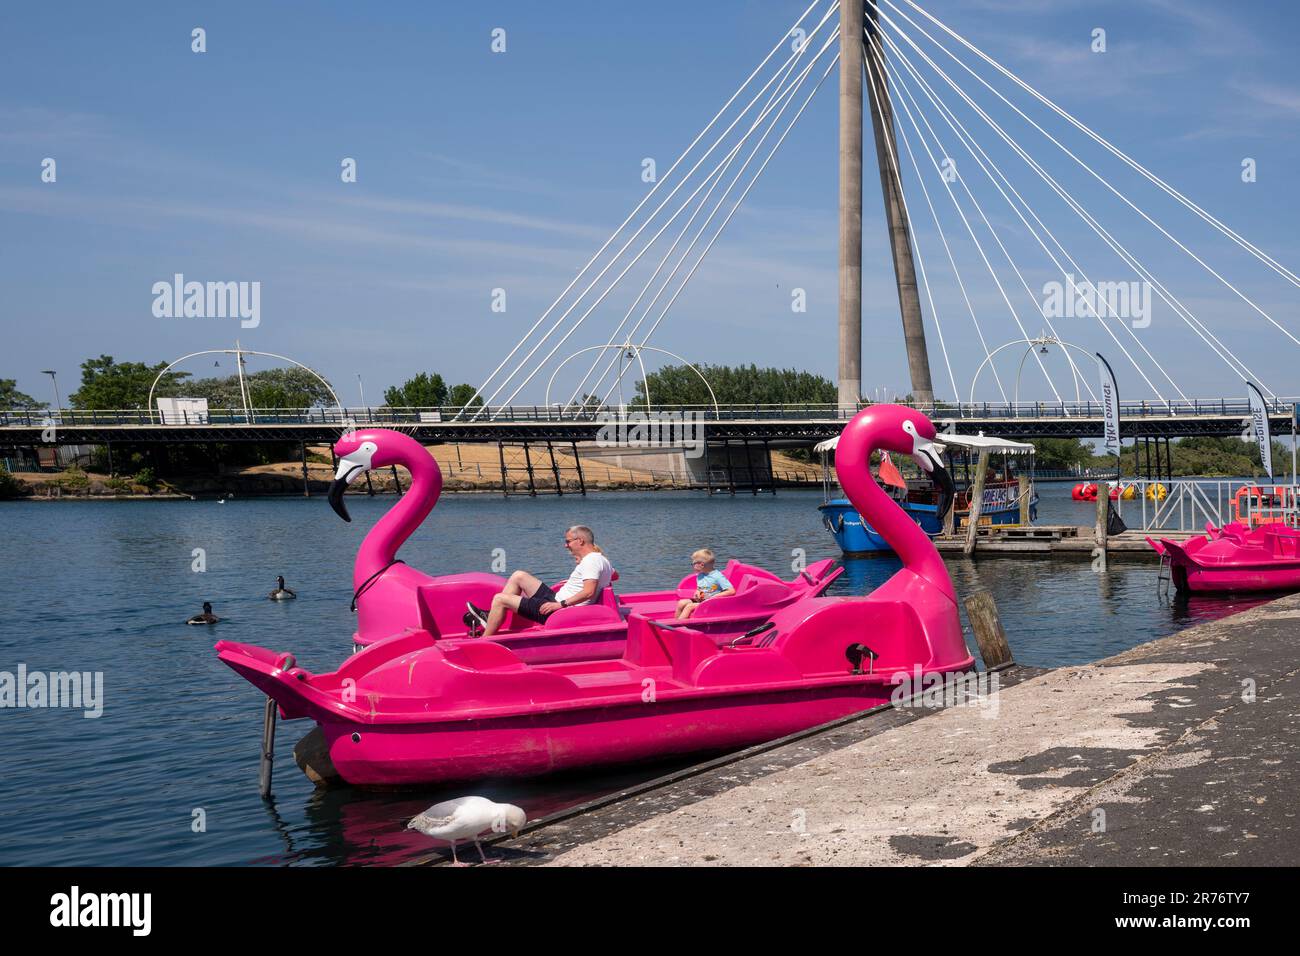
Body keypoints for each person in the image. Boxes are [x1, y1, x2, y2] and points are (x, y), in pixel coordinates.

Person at [468, 525, 613, 637]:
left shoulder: (591, 561)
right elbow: (614, 576)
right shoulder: (600, 559)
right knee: (519, 575)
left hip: (559, 610)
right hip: (557, 600)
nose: (565, 545)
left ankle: (485, 640)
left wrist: (559, 605)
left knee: (499, 599)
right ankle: (490, 616)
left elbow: (588, 592)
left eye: (568, 541)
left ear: (580, 541)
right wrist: (579, 574)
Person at [675, 548, 735, 620]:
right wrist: (697, 593)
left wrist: (714, 597)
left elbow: (731, 591)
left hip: (711, 603)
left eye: (693, 564)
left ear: (702, 565)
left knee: (689, 607)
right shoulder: (701, 575)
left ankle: (679, 625)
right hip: (702, 600)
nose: (692, 565)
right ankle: (674, 623)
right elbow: (700, 588)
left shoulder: (718, 576)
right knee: (681, 603)